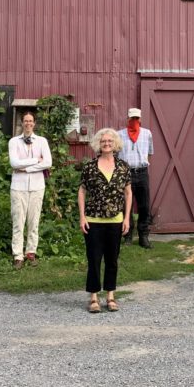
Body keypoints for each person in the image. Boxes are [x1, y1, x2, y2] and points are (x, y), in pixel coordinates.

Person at [78, 128, 132, 313]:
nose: (106, 144)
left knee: (112, 259)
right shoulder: (90, 167)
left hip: (115, 220)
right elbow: (82, 191)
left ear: (115, 144)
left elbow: (128, 193)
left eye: (109, 141)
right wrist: (82, 216)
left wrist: (126, 218)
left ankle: (110, 296)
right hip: (93, 220)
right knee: (94, 259)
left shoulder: (123, 167)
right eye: (103, 141)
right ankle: (93, 297)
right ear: (98, 144)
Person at [8, 111, 53, 269]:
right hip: (18, 187)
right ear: (22, 123)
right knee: (18, 222)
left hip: (37, 186)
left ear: (34, 123)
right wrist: (35, 160)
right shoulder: (14, 141)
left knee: (34, 221)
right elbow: (14, 163)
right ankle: (18, 255)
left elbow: (47, 162)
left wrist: (26, 168)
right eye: (25, 121)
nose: (28, 123)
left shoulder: (41, 141)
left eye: (31, 121)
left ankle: (31, 252)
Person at [117, 107, 153, 248]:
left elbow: (150, 153)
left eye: (137, 118)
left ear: (140, 119)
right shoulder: (120, 135)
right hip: (126, 173)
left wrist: (142, 164)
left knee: (144, 205)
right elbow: (116, 154)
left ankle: (143, 236)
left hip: (142, 172)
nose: (134, 121)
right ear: (128, 119)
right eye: (132, 118)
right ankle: (127, 235)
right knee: (127, 205)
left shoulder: (147, 133)